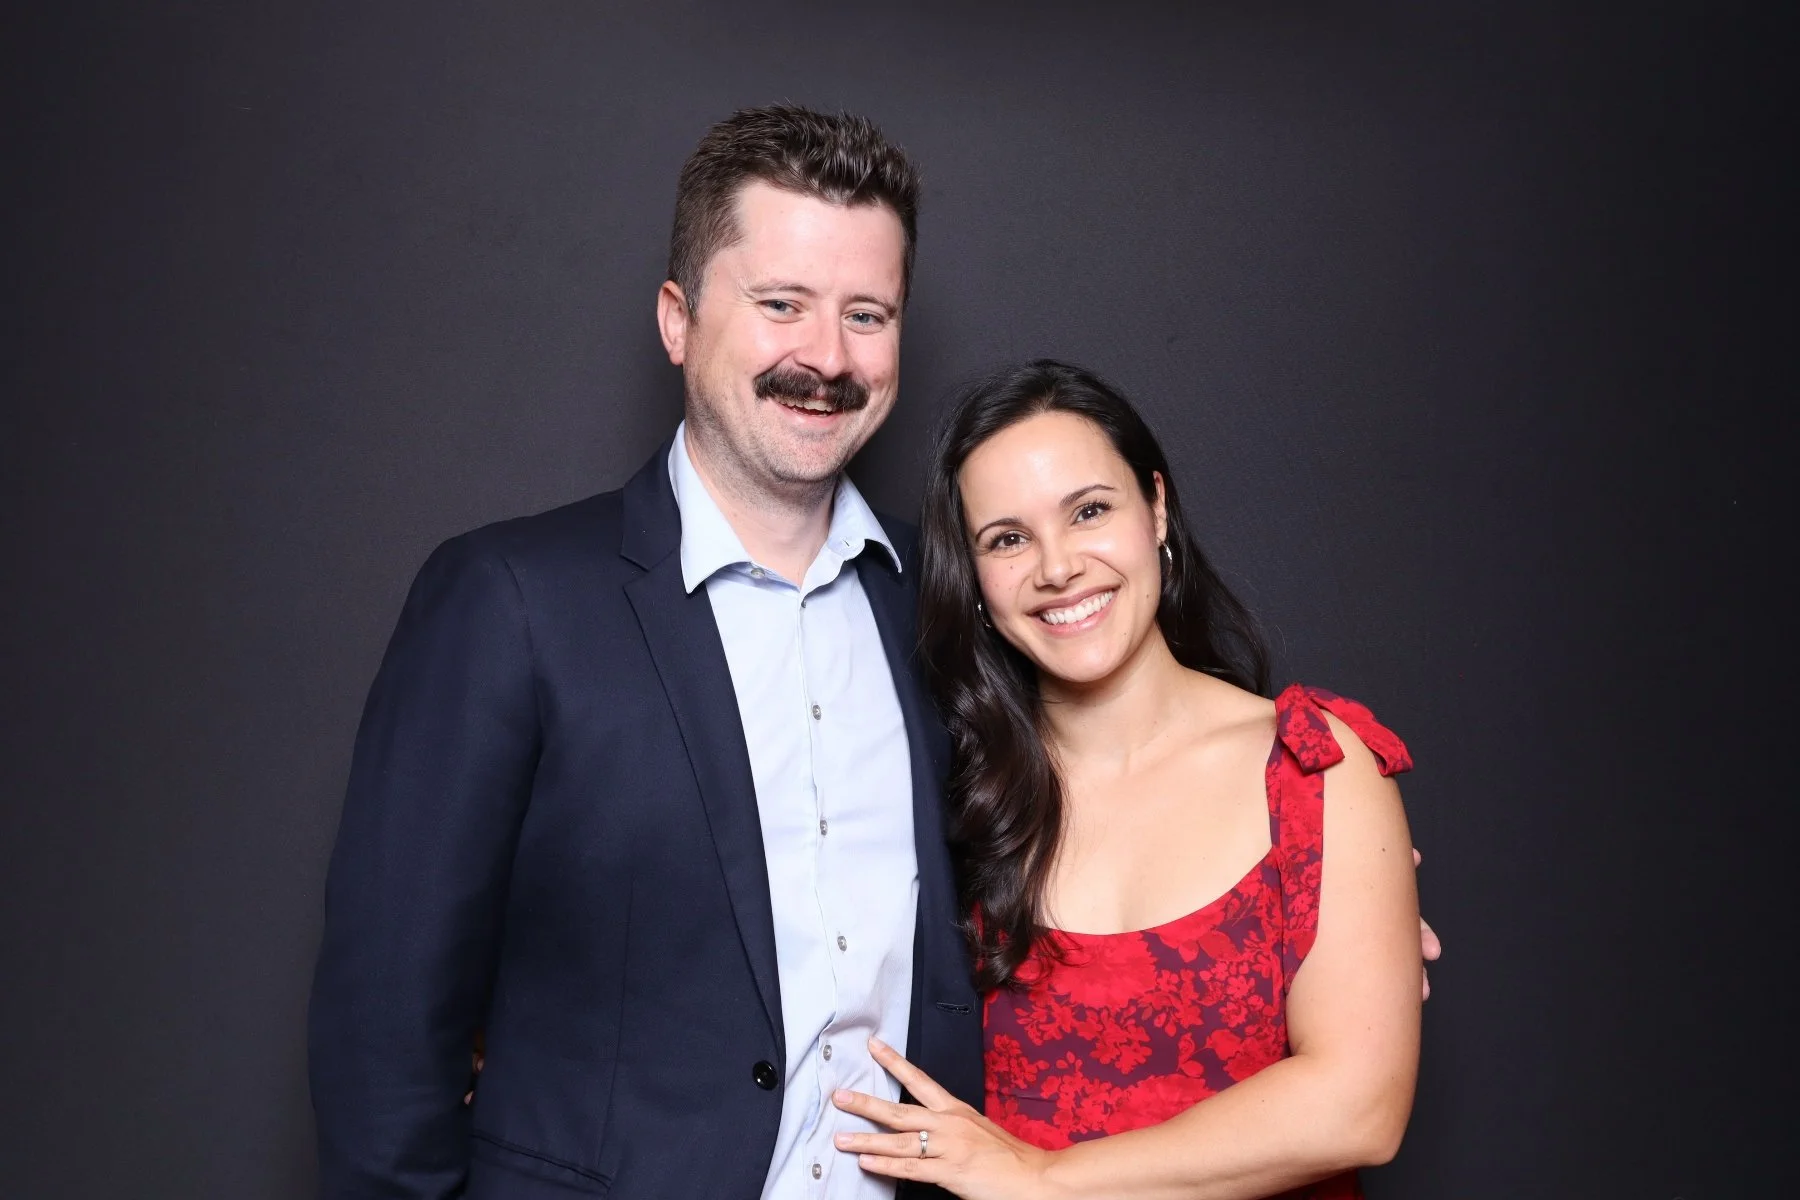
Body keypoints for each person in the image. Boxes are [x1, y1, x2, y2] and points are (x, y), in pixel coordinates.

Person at [309, 105, 1438, 1199]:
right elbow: (387, 1019)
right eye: (782, 303)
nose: (825, 356)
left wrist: (1332, 914)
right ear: (676, 318)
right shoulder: (510, 600)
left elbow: (1124, 805)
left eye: (866, 313)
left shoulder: (947, 612)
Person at [830, 361, 1421, 1200]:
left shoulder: (1311, 767)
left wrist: (1044, 1179)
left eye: (1090, 511)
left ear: (1157, 507)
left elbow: (1359, 1106)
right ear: (974, 581)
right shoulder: (945, 788)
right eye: (1007, 538)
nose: (1058, 566)